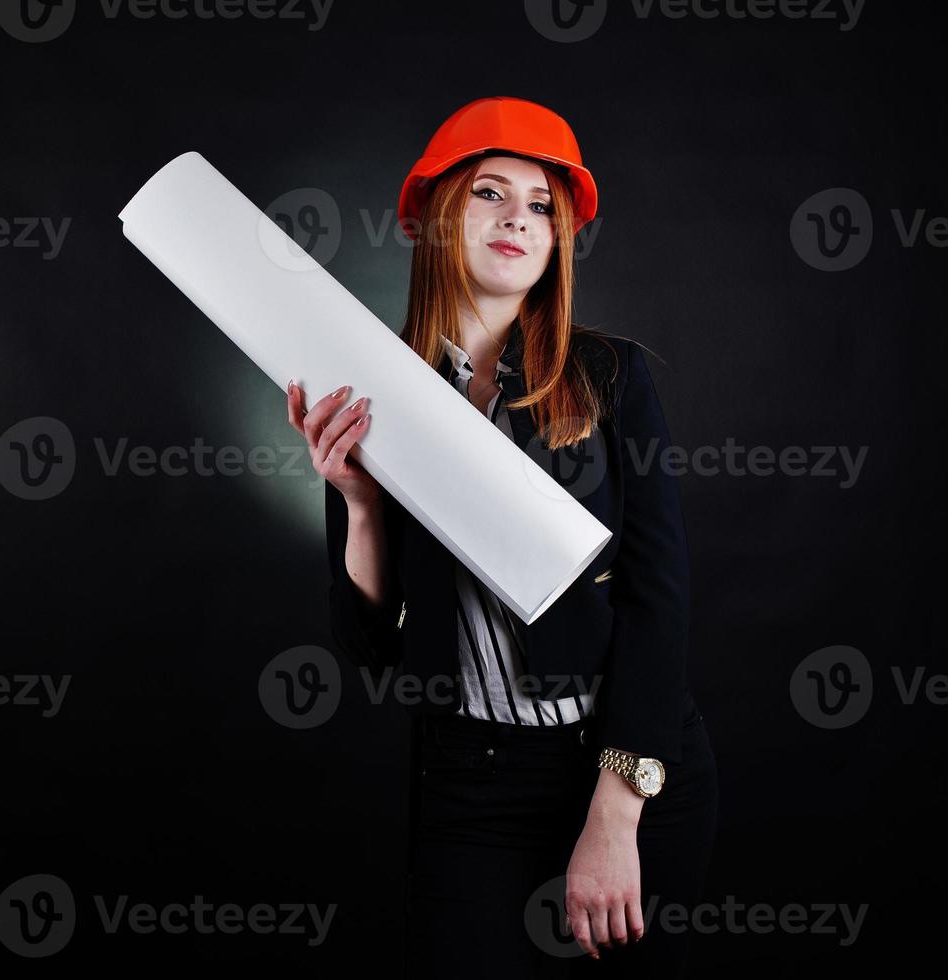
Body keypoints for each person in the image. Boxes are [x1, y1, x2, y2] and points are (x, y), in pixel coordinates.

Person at [287, 96, 719, 977]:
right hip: (469, 779)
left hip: (621, 768)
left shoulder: (608, 377)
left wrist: (614, 811)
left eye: (539, 205)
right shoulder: (372, 386)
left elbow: (656, 601)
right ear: (440, 216)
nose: (517, 218)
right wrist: (359, 504)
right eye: (489, 192)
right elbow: (371, 647)